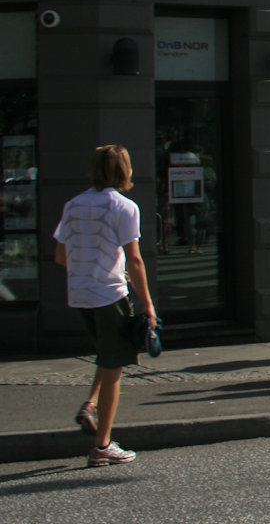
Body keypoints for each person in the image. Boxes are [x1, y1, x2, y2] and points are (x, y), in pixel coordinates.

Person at [54, 145, 156, 467]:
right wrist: (148, 304)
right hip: (109, 295)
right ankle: (102, 446)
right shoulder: (124, 206)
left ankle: (91, 404)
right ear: (124, 170)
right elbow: (135, 259)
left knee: (107, 353)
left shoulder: (73, 205)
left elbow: (60, 255)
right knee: (115, 368)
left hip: (79, 294)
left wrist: (88, 270)